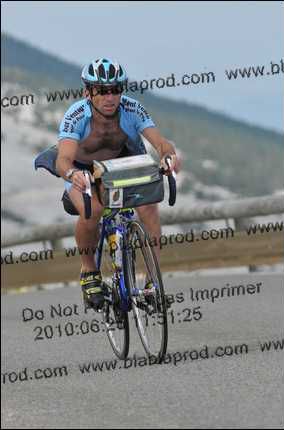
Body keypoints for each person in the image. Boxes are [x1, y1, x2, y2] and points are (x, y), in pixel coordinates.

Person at [56, 58, 178, 310]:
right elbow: (63, 159)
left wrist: (168, 156)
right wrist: (72, 175)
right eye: (102, 90)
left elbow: (161, 143)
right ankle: (89, 271)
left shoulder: (132, 109)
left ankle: (153, 283)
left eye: (115, 90)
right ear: (87, 92)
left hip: (123, 167)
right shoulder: (77, 114)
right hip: (84, 170)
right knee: (94, 211)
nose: (109, 97)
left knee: (149, 209)